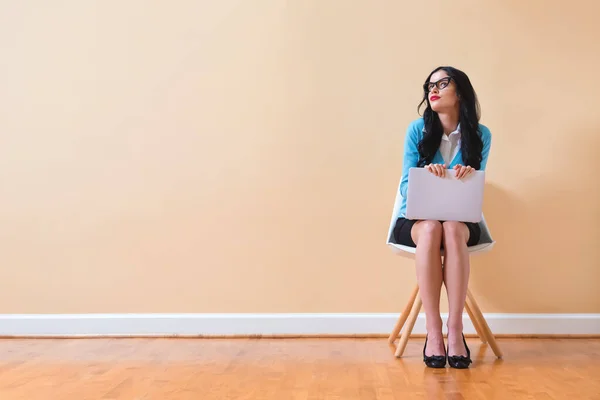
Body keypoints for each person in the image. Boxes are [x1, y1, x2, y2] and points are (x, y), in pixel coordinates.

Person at [393, 66, 492, 369]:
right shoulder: (417, 131)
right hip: (416, 219)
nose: (432, 90)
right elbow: (407, 185)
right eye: (429, 85)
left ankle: (456, 329)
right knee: (431, 229)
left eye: (441, 83)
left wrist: (463, 176)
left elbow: (475, 189)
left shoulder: (480, 135)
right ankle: (434, 330)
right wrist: (430, 176)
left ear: (460, 91)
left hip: (461, 222)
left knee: (449, 228)